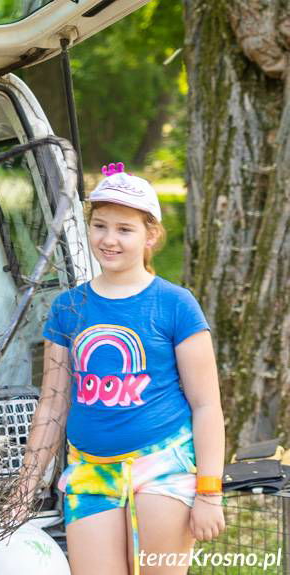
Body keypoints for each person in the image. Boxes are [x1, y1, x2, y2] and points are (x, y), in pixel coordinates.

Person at [22, 163, 226, 574]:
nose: (109, 240)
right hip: (90, 469)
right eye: (100, 226)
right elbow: (52, 404)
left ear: (150, 236)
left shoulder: (175, 304)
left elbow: (206, 405)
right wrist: (26, 483)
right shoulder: (68, 307)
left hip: (162, 465)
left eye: (124, 229)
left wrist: (209, 492)